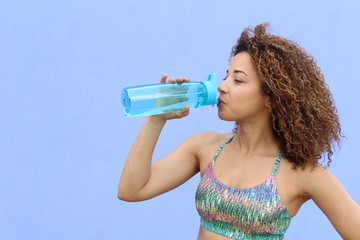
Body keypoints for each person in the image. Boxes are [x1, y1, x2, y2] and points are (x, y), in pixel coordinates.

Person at [118, 23, 360, 240]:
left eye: (238, 80)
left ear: (271, 97)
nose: (222, 86)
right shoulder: (205, 147)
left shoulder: (301, 172)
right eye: (225, 76)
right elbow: (132, 190)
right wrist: (156, 119)